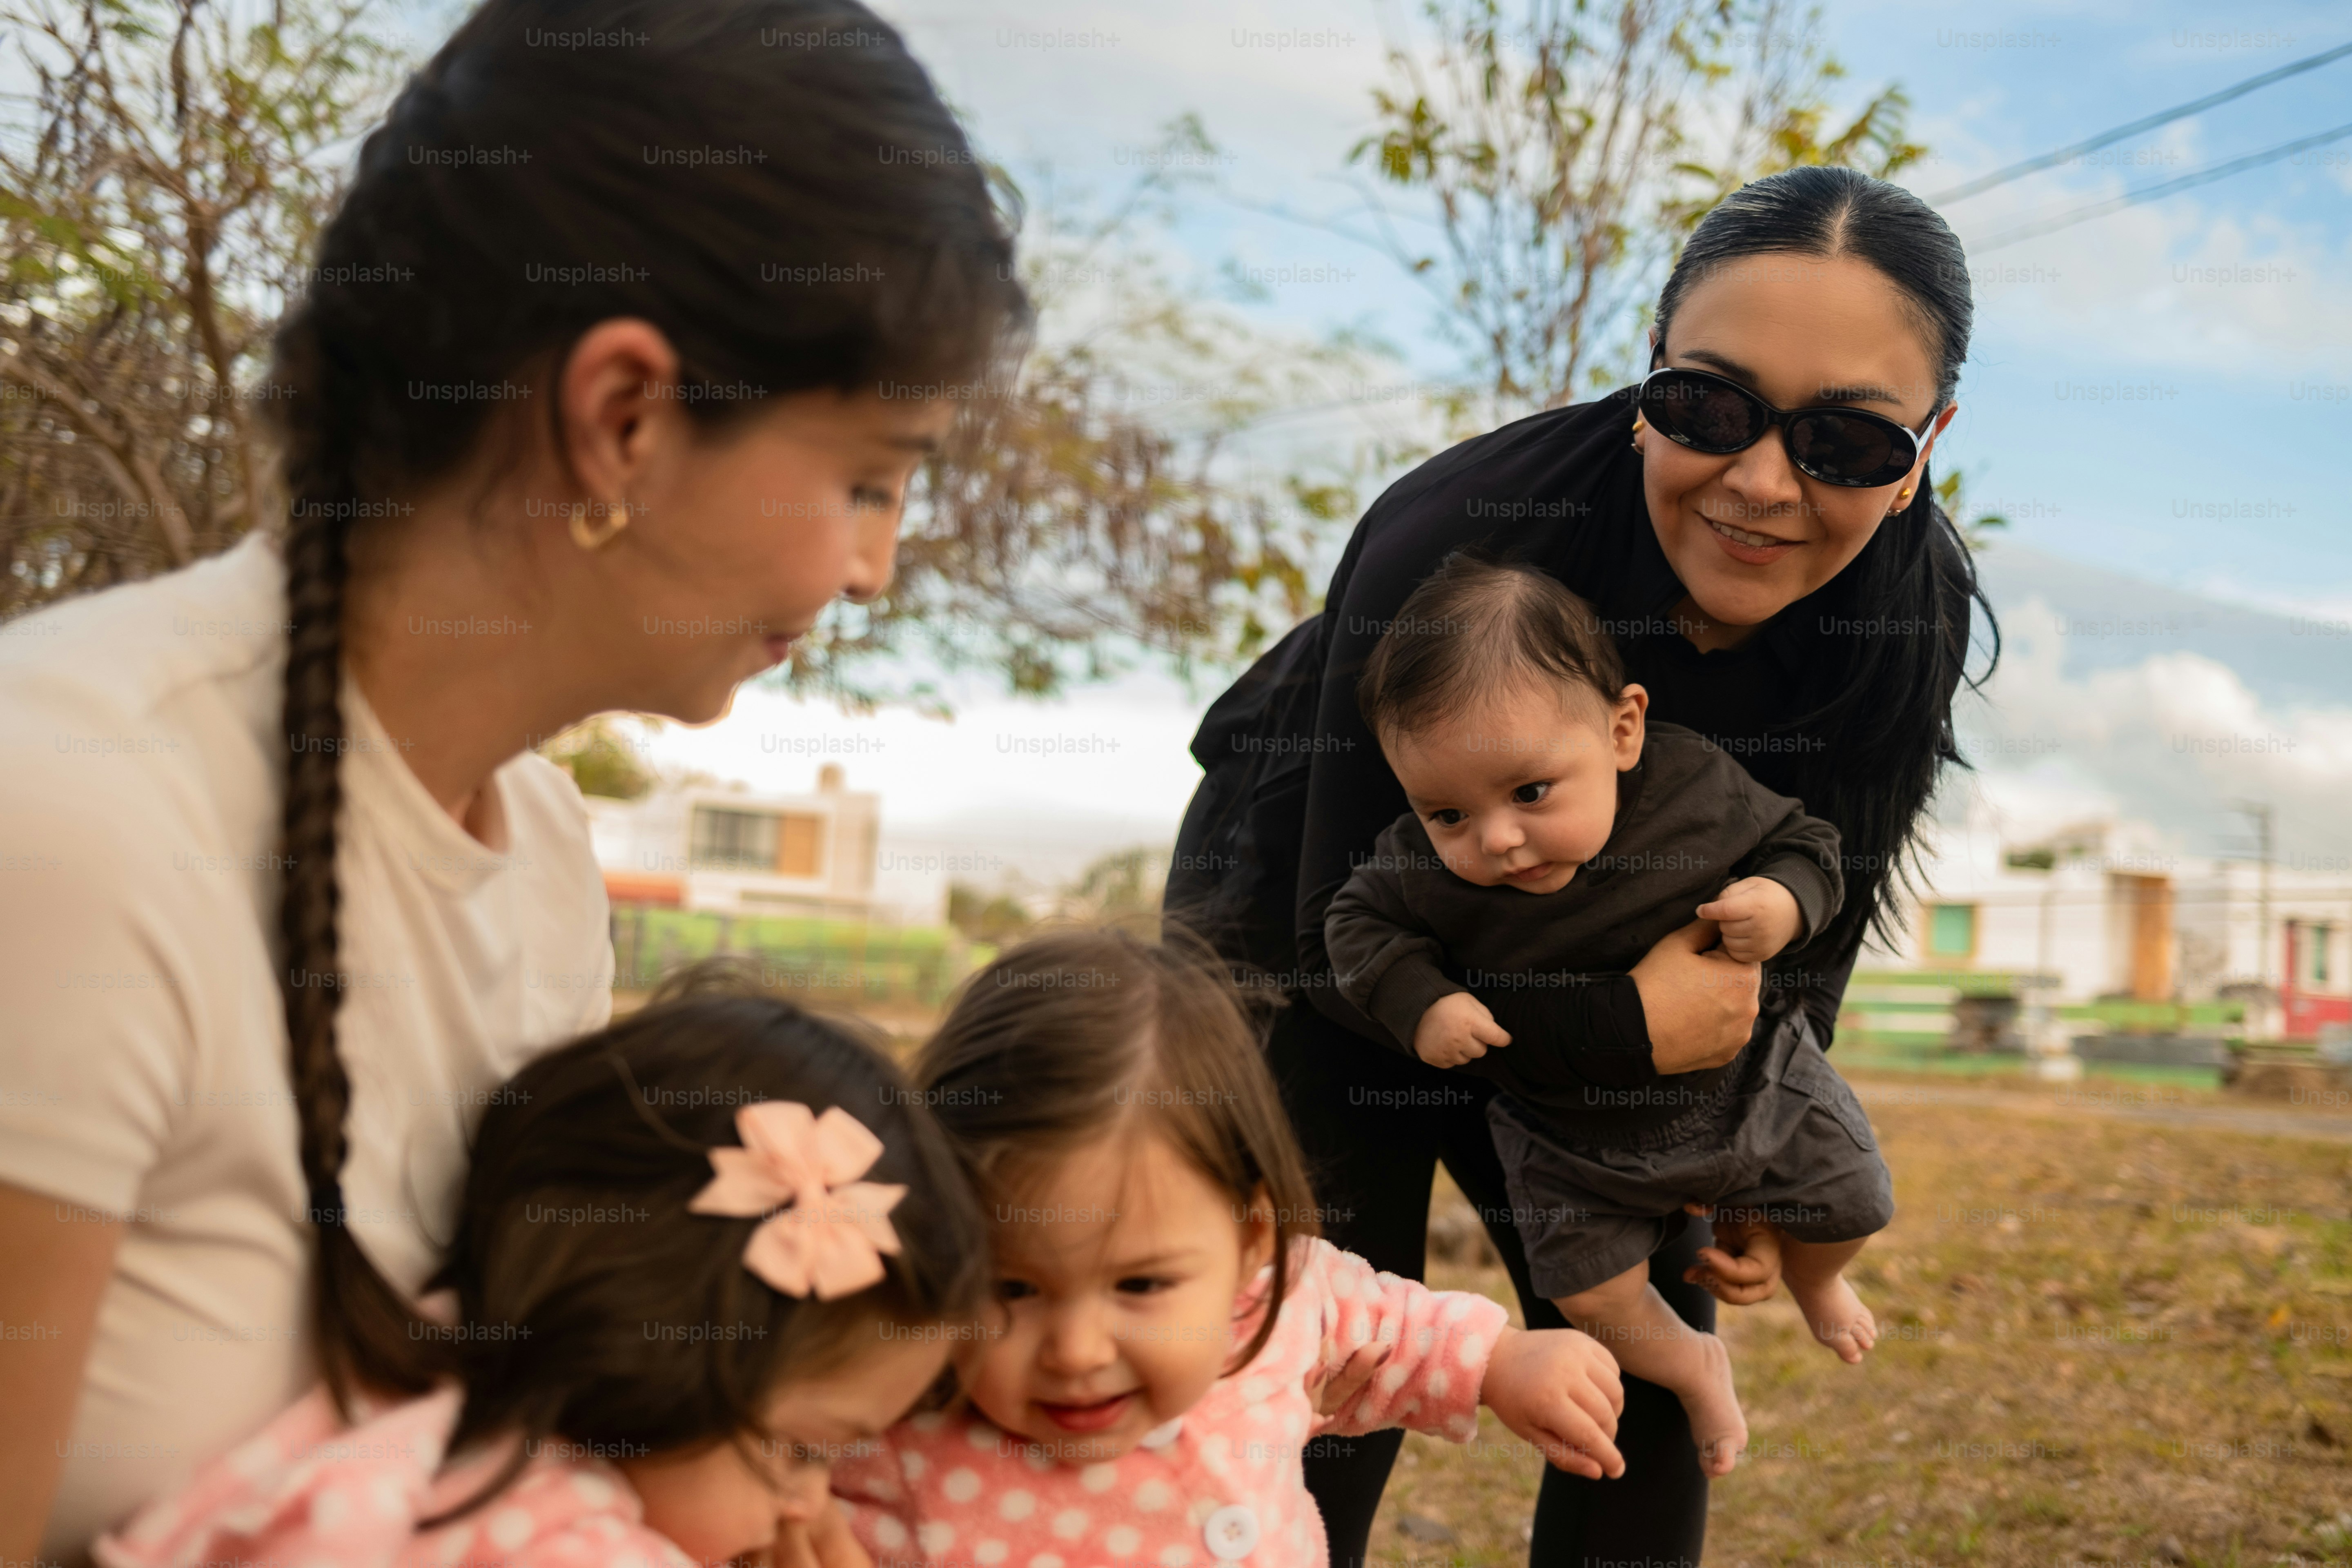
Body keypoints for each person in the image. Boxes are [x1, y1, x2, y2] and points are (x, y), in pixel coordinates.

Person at [0, 2, 1027, 1561]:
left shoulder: (540, 855)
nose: (875, 568)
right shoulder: (73, 819)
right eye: (868, 479)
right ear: (623, 418)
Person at [1170, 163, 1991, 1564]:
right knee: (1316, 1357)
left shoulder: (1904, 621)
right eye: (1710, 407)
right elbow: (1333, 946)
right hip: (1340, 940)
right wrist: (1618, 1028)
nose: (1762, 482)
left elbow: (1818, 919)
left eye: (1848, 442)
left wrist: (1753, 1150)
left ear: (1928, 445)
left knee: (1649, 1370)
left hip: (1623, 966)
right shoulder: (1456, 533)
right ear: (1649, 369)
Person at [90, 981, 986, 1568]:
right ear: (652, 1345)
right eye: (804, 1450)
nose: (809, 1509)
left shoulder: (427, 1407)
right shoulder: (568, 1546)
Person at [1325, 555, 1894, 1477]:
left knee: (1856, 1202)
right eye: (1447, 814)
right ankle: (1693, 1363)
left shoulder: (1693, 788)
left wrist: (1784, 901)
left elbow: (1809, 844)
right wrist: (1421, 1000)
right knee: (1590, 1295)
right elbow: (1352, 925)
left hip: (1750, 1084)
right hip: (1570, 1139)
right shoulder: (1416, 869)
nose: (1497, 839)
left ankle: (1819, 1277)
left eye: (1531, 793)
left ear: (1623, 730)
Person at [829, 928, 1629, 1566]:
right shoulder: (898, 1408)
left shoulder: (1279, 1297)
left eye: (1140, 1286)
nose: (1076, 1351)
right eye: (1011, 1290)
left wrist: (1502, 1362)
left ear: (1250, 1240)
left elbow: (1396, 1328)